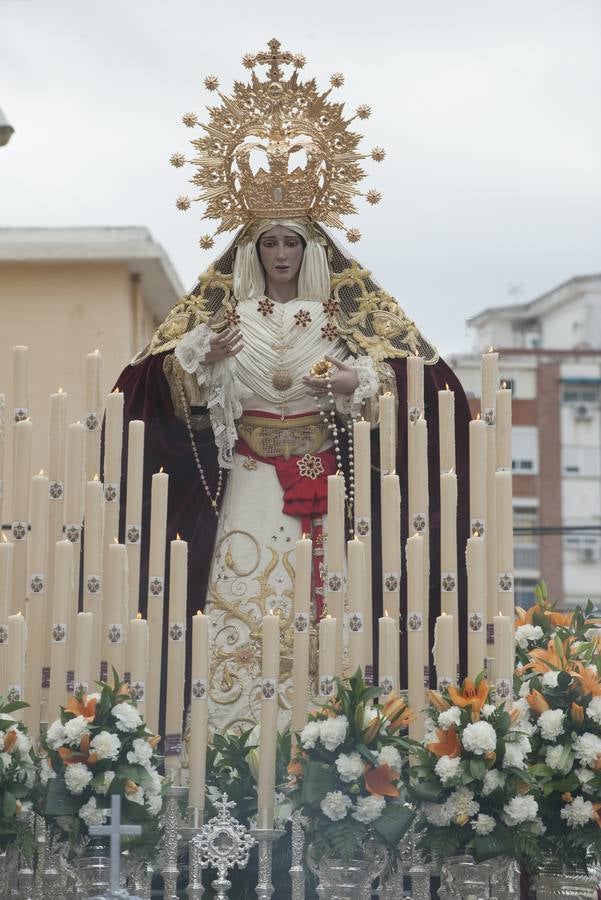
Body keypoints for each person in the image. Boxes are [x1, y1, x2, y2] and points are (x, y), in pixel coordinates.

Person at [114, 40, 472, 737]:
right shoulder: (222, 320)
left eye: (293, 243)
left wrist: (355, 382)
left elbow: (420, 382)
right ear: (252, 251)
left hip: (318, 477)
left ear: (312, 251)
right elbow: (153, 387)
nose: (281, 254)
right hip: (248, 475)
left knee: (327, 599)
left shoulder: (342, 320)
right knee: (235, 595)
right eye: (270, 243)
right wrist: (202, 361)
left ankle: (328, 731)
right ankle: (227, 734)